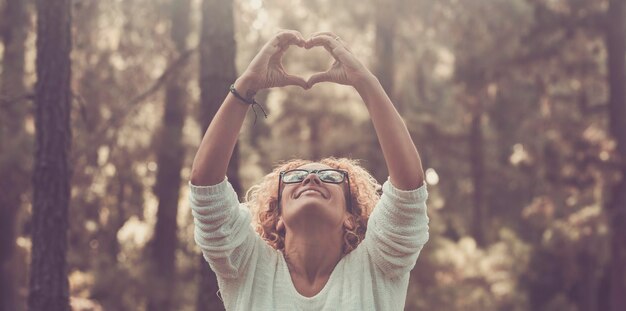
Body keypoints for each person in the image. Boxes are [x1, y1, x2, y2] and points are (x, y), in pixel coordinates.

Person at [189, 30, 430, 311]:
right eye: (295, 177)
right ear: (278, 218)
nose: (312, 177)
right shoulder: (248, 266)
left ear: (350, 218)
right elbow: (205, 186)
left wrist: (365, 82)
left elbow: (409, 191)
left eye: (330, 178)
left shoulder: (378, 266)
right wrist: (247, 84)